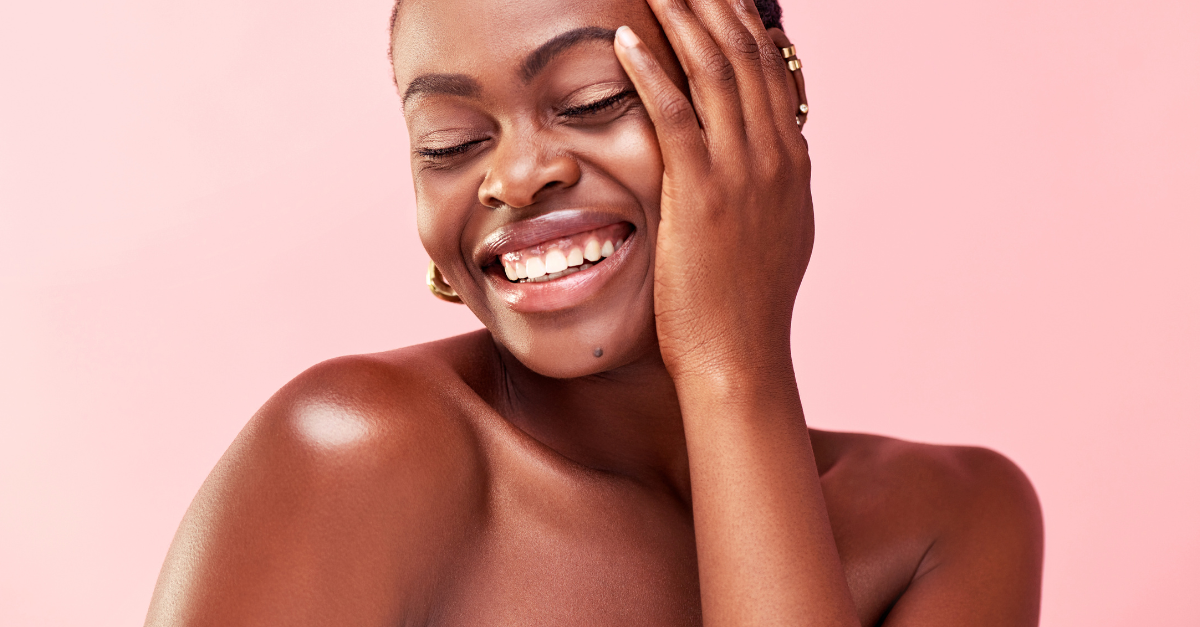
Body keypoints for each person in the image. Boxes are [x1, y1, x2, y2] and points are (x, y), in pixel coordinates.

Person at [146, 0, 1044, 624]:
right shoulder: (356, 456)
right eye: (449, 144)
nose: (513, 176)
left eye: (591, 100)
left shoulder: (948, 525)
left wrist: (734, 365)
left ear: (770, 100)